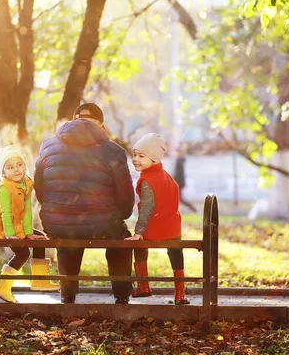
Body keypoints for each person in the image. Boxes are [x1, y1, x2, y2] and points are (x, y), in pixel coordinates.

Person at [34, 103, 135, 304]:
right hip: (103, 226)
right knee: (121, 240)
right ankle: (122, 296)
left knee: (66, 233)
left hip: (59, 224)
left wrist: (56, 212)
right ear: (101, 125)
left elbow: (40, 188)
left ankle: (68, 295)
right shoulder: (112, 150)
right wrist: (121, 216)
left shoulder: (48, 145)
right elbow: (125, 195)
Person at [126, 133, 190, 305]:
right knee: (176, 251)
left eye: (141, 156)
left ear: (154, 159)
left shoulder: (147, 180)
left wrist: (139, 232)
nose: (135, 159)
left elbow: (146, 208)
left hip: (155, 229)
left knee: (138, 247)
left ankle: (143, 286)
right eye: (134, 155)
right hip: (173, 228)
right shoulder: (168, 177)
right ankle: (180, 294)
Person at [0, 145, 59, 303]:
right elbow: (5, 213)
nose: (16, 170)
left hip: (18, 227)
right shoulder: (4, 188)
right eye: (10, 167)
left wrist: (29, 233)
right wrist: (9, 233)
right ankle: (2, 286)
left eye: (19, 164)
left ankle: (39, 280)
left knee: (39, 238)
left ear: (25, 165)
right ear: (3, 172)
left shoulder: (26, 184)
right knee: (23, 253)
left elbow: (27, 211)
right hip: (5, 228)